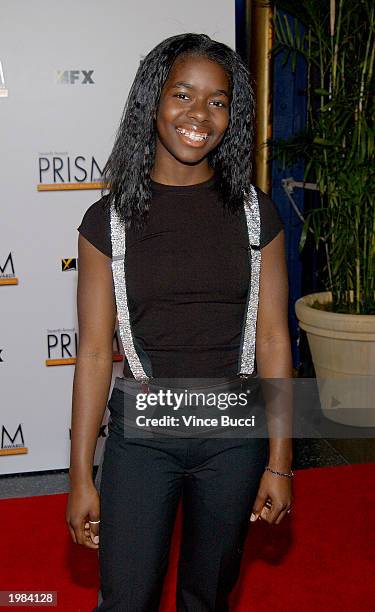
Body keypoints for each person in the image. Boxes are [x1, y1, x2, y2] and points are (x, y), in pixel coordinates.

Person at [66, 33, 294, 612]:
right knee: (126, 598)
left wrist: (281, 461)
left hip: (234, 437)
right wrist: (80, 477)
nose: (199, 115)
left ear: (231, 116)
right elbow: (94, 354)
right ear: (153, 101)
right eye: (183, 95)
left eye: (217, 101)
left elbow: (271, 338)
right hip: (143, 437)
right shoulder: (106, 220)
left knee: (207, 597)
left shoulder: (254, 211)